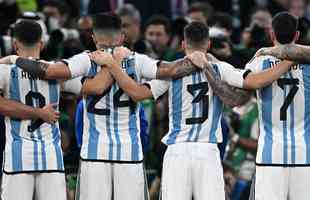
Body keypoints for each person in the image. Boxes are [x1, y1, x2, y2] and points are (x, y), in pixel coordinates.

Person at [0, 13, 210, 200]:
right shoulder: (137, 61)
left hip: (94, 153)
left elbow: (51, 71)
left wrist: (14, 58)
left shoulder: (85, 60)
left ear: (93, 38)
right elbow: (170, 70)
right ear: (122, 37)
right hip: (129, 154)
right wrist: (195, 57)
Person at [87, 21, 295, 200]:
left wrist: (113, 67)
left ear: (183, 43)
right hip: (208, 151)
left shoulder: (170, 71)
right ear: (209, 44)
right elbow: (250, 86)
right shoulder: (220, 68)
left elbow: (138, 94)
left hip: (177, 151)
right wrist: (290, 58)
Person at [0, 20, 78, 200]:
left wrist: (7, 59)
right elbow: (91, 88)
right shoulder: (57, 71)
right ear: (41, 44)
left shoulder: (4, 71)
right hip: (51, 156)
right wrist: (40, 113)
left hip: (18, 159)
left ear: (14, 44)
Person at [247, 12, 310, 200]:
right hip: (305, 155)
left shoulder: (258, 62)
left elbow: (238, 98)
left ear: (271, 34)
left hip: (269, 156)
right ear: (297, 36)